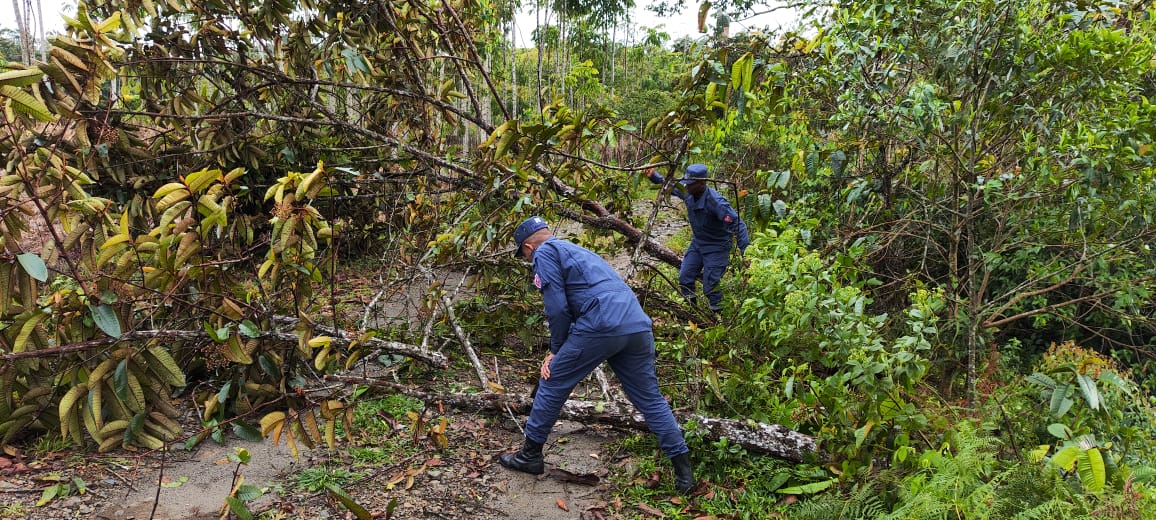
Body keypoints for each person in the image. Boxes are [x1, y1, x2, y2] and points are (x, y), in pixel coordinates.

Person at [499, 216, 697, 493]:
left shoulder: (543, 253)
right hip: (637, 324)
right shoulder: (577, 250)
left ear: (528, 248)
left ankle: (530, 456)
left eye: (523, 256)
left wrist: (556, 351)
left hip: (602, 324)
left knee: (552, 379)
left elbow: (557, 308)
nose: (527, 260)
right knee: (650, 399)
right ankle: (684, 472)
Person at [647, 163, 750, 313]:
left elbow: (738, 225)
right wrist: (655, 177)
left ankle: (718, 320)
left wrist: (746, 252)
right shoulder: (688, 191)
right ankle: (694, 313)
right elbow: (673, 188)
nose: (686, 187)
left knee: (711, 286)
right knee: (684, 278)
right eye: (686, 183)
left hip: (717, 247)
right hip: (698, 243)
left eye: (690, 184)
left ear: (702, 183)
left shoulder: (717, 203)